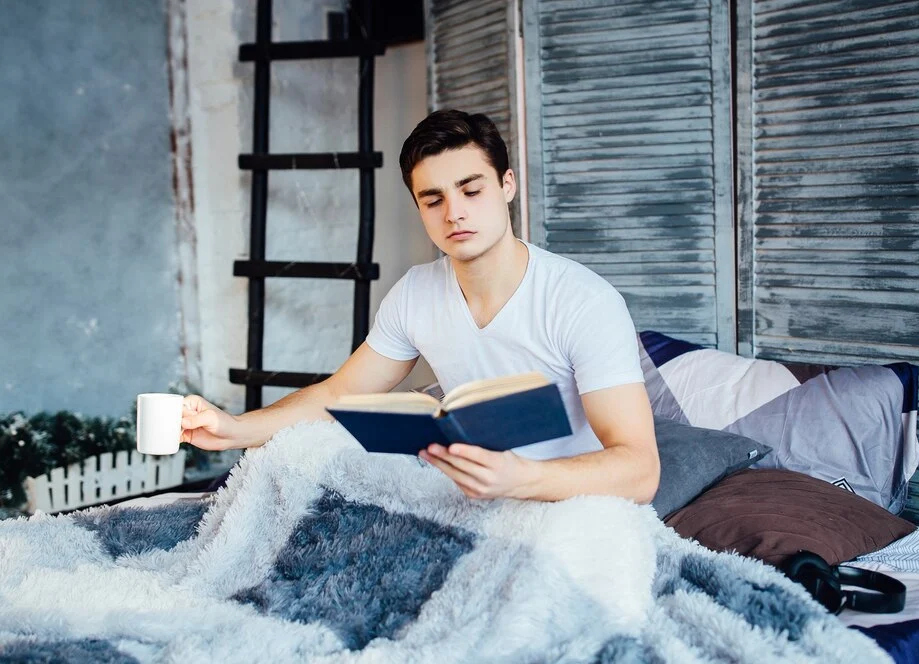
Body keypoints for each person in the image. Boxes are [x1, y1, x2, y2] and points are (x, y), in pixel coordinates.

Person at [181, 110, 660, 504]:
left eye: (471, 191)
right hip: (467, 500)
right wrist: (233, 429)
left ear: (507, 185)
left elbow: (640, 469)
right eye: (434, 200)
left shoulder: (583, 301)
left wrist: (521, 478)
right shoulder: (415, 293)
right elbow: (340, 394)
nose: (454, 213)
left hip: (573, 505)